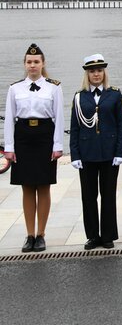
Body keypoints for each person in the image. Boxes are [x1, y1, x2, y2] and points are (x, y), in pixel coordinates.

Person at [3, 43, 64, 253]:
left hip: (45, 137)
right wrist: (9, 148)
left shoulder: (54, 87)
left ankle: (41, 235)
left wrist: (58, 145)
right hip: (23, 138)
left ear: (43, 63)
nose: (32, 65)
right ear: (24, 64)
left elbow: (59, 118)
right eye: (29, 62)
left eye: (36, 61)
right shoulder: (15, 88)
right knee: (27, 187)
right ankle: (29, 235)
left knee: (44, 186)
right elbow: (9, 119)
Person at [69, 54, 122, 250]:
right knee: (88, 196)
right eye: (92, 71)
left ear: (104, 73)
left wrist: (119, 152)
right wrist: (75, 155)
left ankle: (108, 235)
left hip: (109, 153)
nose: (96, 74)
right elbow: (75, 127)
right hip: (87, 154)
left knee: (108, 196)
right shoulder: (79, 96)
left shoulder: (115, 94)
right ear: (87, 74)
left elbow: (121, 126)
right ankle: (93, 236)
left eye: (99, 70)